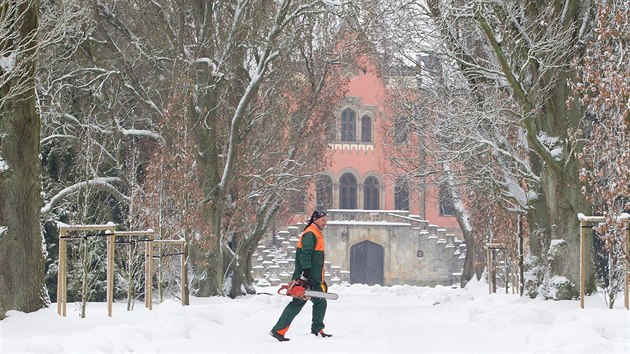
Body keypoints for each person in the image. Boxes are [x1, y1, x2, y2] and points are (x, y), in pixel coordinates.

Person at [270, 210, 332, 342]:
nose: (325, 223)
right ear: (315, 219)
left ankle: (316, 329)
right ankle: (279, 330)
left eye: (326, 220)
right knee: (300, 302)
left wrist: (321, 279)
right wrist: (306, 272)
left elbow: (317, 260)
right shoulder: (310, 233)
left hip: (314, 278)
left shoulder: (316, 233)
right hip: (306, 276)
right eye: (323, 220)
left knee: (319, 302)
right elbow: (306, 254)